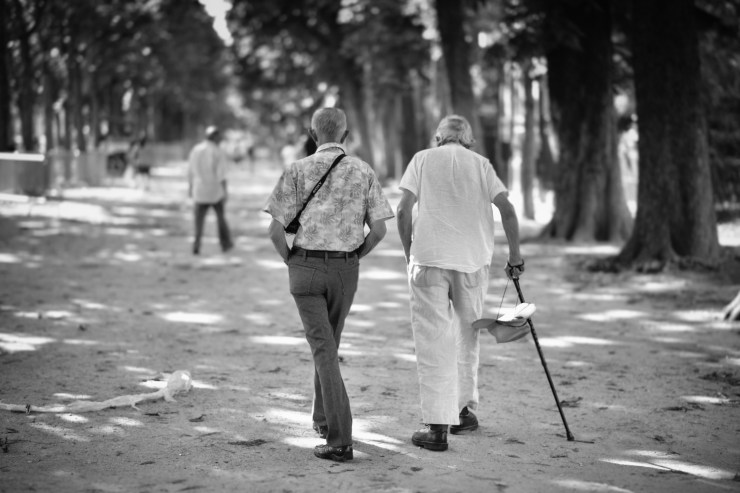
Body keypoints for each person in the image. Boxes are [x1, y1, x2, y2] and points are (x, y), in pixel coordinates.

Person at [264, 107, 394, 462]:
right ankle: (323, 419)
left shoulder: (296, 170)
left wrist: (293, 260)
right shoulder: (363, 171)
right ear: (346, 135)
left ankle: (339, 439)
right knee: (328, 346)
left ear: (312, 132)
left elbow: (275, 231)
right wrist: (354, 258)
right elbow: (380, 230)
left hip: (304, 267)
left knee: (324, 349)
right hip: (345, 270)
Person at [396, 115, 525, 452]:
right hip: (470, 263)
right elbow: (507, 210)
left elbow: (402, 210)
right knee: (467, 335)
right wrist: (515, 257)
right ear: (469, 140)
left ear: (438, 138)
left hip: (428, 259)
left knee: (432, 338)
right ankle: (463, 413)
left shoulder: (422, 159)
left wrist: (410, 252)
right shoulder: (481, 165)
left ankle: (436, 426)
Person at [188, 126, 233, 255]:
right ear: (214, 137)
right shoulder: (217, 151)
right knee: (220, 219)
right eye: (218, 137)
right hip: (215, 191)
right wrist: (225, 191)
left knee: (198, 221)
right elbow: (222, 174)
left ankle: (196, 245)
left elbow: (190, 170)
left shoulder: (196, 150)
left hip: (199, 191)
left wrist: (190, 187)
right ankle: (225, 244)